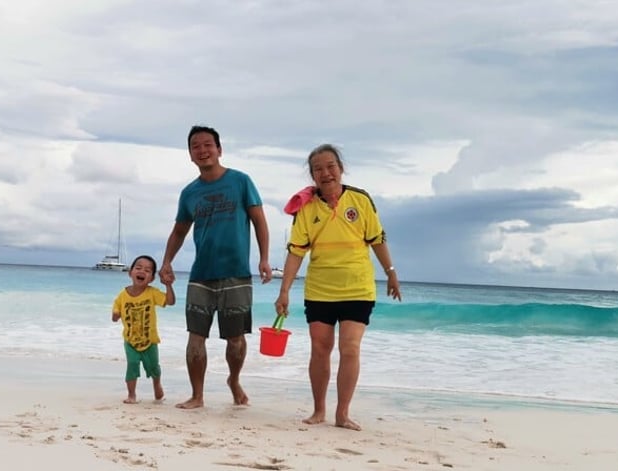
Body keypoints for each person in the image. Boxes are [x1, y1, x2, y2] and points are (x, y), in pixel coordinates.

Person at [274, 143, 402, 431]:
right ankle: (319, 410)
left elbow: (377, 239)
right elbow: (296, 251)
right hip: (320, 288)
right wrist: (284, 291)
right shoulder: (305, 208)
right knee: (320, 349)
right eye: (318, 169)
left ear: (340, 168)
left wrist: (390, 273)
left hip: (357, 287)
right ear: (312, 176)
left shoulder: (360, 200)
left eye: (330, 166)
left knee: (350, 348)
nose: (325, 173)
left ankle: (342, 414)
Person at [159, 125, 273, 409]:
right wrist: (167, 261)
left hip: (235, 273)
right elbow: (179, 232)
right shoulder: (189, 193)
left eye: (208, 144)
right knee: (195, 338)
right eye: (195, 146)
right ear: (190, 155)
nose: (202, 150)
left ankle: (234, 380)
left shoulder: (240, 181)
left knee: (235, 340)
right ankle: (197, 396)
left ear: (219, 149)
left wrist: (264, 258)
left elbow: (259, 221)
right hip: (201, 274)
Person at [112, 255, 176, 404]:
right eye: (138, 268)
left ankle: (157, 384)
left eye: (147, 270)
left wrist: (168, 285)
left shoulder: (152, 293)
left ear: (152, 278)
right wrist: (115, 315)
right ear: (130, 272)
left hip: (150, 340)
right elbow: (115, 313)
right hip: (130, 340)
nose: (142, 271)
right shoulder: (122, 295)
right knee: (132, 365)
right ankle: (132, 394)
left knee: (154, 367)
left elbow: (170, 301)